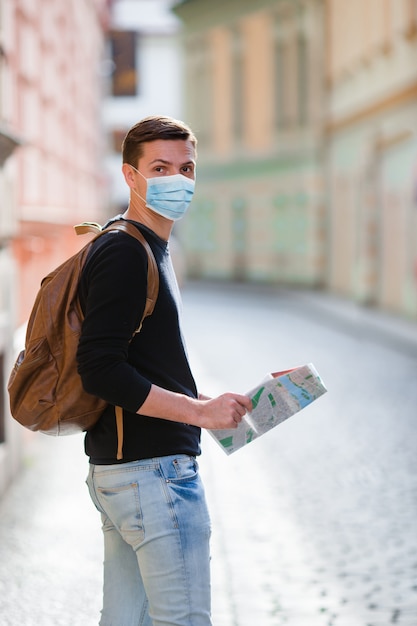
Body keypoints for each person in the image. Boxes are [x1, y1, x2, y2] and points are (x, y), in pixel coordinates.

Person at [76, 115, 252, 626]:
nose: (177, 179)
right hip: (153, 477)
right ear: (131, 176)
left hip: (131, 473)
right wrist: (199, 412)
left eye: (187, 167)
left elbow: (142, 359)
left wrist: (218, 406)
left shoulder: (145, 245)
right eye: (160, 167)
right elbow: (101, 369)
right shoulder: (126, 252)